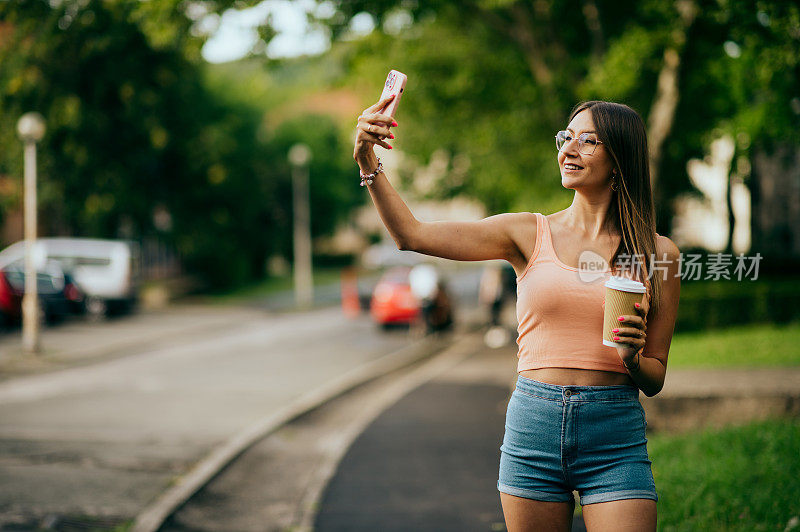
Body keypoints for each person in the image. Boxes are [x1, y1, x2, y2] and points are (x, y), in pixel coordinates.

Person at [353, 96, 680, 532]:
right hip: (535, 427)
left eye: (588, 141)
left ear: (620, 159)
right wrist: (366, 159)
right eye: (566, 138)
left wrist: (632, 358)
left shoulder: (659, 255)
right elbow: (411, 235)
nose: (568, 149)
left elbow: (655, 377)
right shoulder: (527, 232)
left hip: (615, 434)